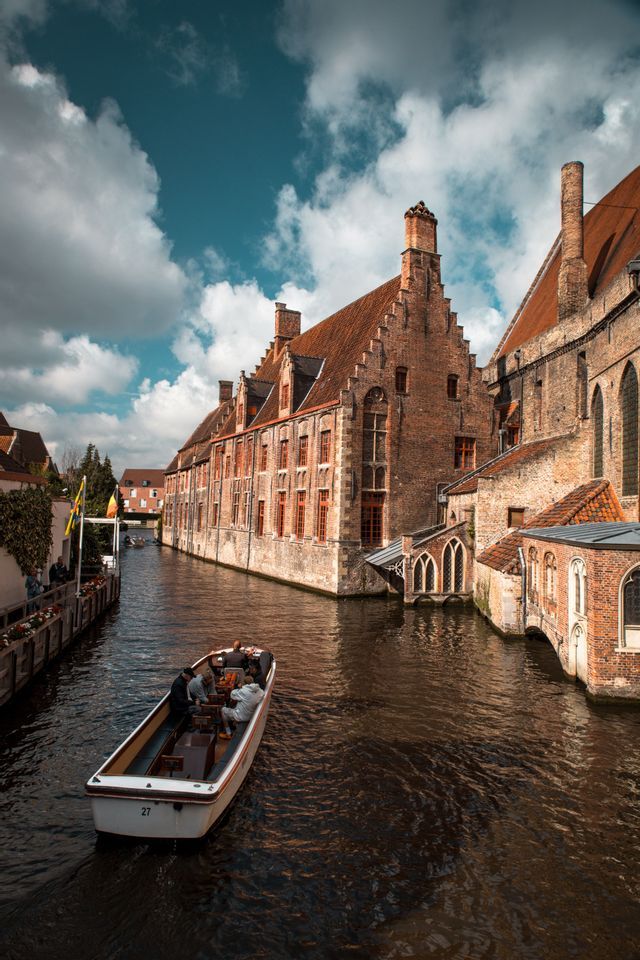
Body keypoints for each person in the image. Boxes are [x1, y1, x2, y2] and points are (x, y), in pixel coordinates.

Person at [219, 675, 264, 739]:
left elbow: (232, 694)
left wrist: (239, 687)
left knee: (223, 710)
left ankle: (228, 733)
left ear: (245, 683)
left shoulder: (243, 691)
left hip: (241, 716)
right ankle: (234, 723)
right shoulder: (260, 691)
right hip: (252, 715)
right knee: (239, 704)